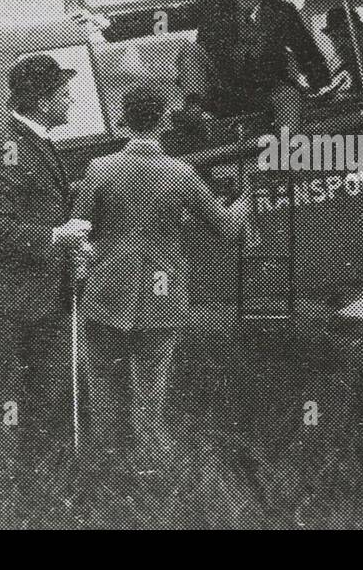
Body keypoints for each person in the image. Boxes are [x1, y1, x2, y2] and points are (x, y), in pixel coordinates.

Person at [72, 85, 248, 467]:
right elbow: (227, 229)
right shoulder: (180, 174)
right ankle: (155, 467)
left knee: (104, 387)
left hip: (107, 294)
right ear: (164, 120)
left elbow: (80, 229)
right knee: (149, 395)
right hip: (160, 298)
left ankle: (107, 469)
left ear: (123, 120)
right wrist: (246, 196)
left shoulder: (99, 169)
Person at [0, 54, 90, 480]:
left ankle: (45, 489)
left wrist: (68, 247)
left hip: (36, 298)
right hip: (4, 304)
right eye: (63, 92)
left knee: (51, 397)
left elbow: (39, 207)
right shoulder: (6, 151)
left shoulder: (35, 142)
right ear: (43, 101)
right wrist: (56, 237)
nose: (70, 98)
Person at [190, 0, 332, 132]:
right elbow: (175, 18)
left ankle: (288, 153)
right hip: (222, 93)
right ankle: (192, 111)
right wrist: (149, 23)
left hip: (266, 90)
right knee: (190, 51)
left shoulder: (282, 12)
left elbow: (306, 51)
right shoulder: (212, 5)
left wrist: (322, 85)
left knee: (289, 96)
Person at [322, 5, 363, 90]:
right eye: (333, 37)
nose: (339, 42)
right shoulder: (333, 68)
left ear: (361, 34)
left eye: (346, 36)